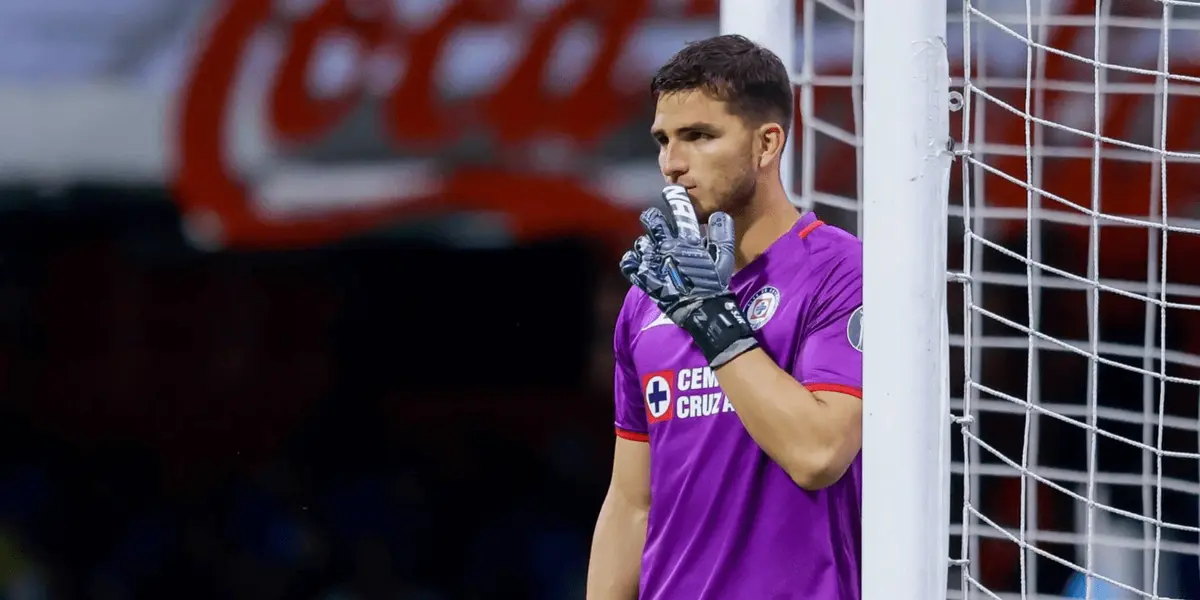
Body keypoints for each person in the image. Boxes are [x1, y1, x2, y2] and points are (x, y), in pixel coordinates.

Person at [585, 34, 864, 600]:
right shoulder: (649, 298)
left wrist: (716, 322)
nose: (672, 163)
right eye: (663, 140)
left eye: (699, 137)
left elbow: (817, 455)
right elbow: (631, 502)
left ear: (766, 144)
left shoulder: (842, 271)